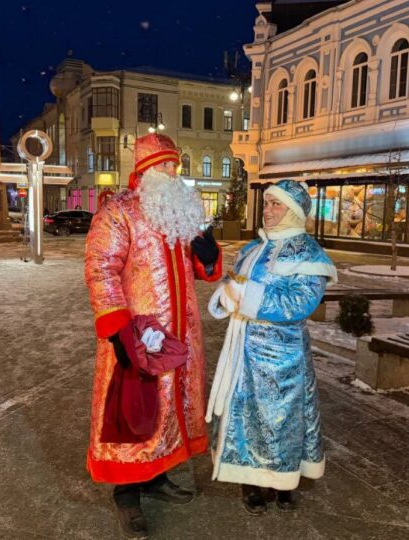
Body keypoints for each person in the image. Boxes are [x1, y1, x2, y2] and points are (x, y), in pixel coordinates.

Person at [84, 132, 222, 538]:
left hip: (182, 335)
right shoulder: (119, 211)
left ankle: (157, 475)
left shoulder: (179, 213)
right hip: (139, 335)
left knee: (169, 407)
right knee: (133, 410)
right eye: (163, 165)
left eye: (174, 165)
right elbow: (101, 268)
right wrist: (117, 330)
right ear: (144, 170)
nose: (171, 172)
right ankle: (127, 494)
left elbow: (199, 269)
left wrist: (208, 257)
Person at [206, 179, 337, 515]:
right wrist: (226, 295)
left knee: (282, 419)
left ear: (293, 210)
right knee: (247, 416)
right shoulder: (253, 248)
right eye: (266, 203)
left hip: (284, 356)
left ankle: (282, 481)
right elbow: (233, 283)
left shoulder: (308, 253)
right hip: (244, 351)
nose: (268, 210)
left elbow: (300, 303)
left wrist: (247, 296)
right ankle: (250, 482)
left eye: (276, 204)